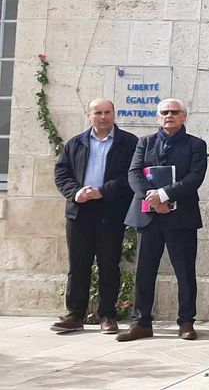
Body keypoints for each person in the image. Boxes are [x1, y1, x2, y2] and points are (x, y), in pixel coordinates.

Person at [116, 99, 207, 342]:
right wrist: (152, 196)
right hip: (149, 216)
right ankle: (141, 322)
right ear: (158, 117)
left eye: (174, 112)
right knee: (145, 271)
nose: (169, 116)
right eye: (164, 112)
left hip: (182, 217)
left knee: (185, 272)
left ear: (184, 116)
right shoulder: (145, 142)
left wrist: (165, 195)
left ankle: (186, 322)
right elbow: (134, 173)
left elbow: (195, 177)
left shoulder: (196, 145)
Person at [51, 99, 138, 334]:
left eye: (107, 112)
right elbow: (62, 173)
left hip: (110, 211)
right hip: (80, 211)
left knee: (109, 264)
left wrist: (103, 191)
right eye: (98, 113)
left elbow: (131, 176)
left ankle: (107, 315)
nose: (103, 117)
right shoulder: (76, 143)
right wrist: (76, 192)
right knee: (78, 264)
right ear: (89, 115)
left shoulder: (129, 143)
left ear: (114, 114)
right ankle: (75, 315)